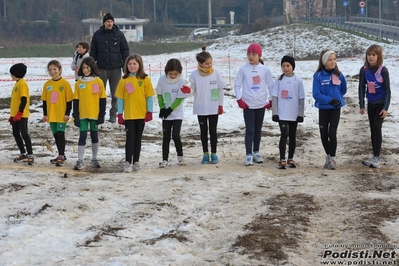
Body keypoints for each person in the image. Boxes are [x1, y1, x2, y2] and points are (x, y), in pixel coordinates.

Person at [181, 46, 225, 164]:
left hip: (213, 107)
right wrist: (187, 90)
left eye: (210, 63)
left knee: (213, 131)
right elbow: (193, 90)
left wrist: (220, 105)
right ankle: (205, 153)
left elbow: (220, 89)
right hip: (201, 107)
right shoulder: (195, 74)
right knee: (203, 131)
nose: (209, 65)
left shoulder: (216, 73)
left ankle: (214, 153)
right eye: (206, 63)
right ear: (200, 63)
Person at [234, 43, 273, 166]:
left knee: (258, 129)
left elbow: (271, 85)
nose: (251, 57)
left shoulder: (265, 70)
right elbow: (237, 85)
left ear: (259, 55)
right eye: (249, 54)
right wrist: (239, 99)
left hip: (260, 104)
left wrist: (271, 100)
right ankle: (248, 154)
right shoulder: (243, 69)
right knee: (250, 130)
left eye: (253, 54)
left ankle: (256, 151)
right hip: (248, 105)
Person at [115, 54, 155, 173]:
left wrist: (149, 112)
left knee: (138, 138)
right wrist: (120, 114)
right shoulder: (124, 80)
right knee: (130, 138)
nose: (132, 66)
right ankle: (128, 162)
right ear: (126, 66)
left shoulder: (145, 79)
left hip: (141, 115)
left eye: (134, 64)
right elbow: (120, 99)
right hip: (130, 115)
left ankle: (136, 161)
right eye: (130, 64)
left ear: (139, 65)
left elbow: (149, 97)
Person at [90, 12, 130, 123]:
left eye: (111, 21)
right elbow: (93, 51)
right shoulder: (97, 35)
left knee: (115, 94)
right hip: (101, 69)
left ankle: (113, 116)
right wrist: (92, 66)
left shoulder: (119, 34)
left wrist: (125, 66)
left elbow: (125, 51)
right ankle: (99, 115)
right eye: (108, 21)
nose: (110, 23)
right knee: (99, 94)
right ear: (104, 23)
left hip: (115, 68)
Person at [312, 50, 347, 170]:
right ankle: (328, 155)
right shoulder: (318, 76)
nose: (332, 62)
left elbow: (343, 89)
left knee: (332, 133)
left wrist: (337, 98)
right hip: (323, 108)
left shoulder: (338, 74)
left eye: (334, 59)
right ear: (323, 61)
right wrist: (330, 100)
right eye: (329, 59)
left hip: (335, 109)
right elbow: (316, 94)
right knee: (323, 134)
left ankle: (333, 158)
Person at [358, 44, 391, 169]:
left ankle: (377, 157)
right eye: (369, 54)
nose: (371, 57)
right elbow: (361, 87)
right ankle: (374, 155)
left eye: (374, 55)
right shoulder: (364, 70)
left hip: (381, 103)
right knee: (372, 129)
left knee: (377, 127)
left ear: (378, 56)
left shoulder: (383, 70)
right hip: (370, 103)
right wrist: (361, 104)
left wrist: (386, 108)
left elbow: (388, 90)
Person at [72, 57, 106, 170]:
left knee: (94, 136)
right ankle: (80, 160)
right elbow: (75, 101)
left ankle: (94, 158)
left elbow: (102, 100)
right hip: (82, 115)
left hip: (94, 115)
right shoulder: (79, 83)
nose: (85, 70)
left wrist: (101, 115)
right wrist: (75, 115)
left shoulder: (98, 82)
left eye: (88, 68)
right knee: (82, 137)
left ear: (92, 68)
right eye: (84, 68)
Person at [272, 56, 305, 169]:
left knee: (292, 136)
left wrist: (300, 114)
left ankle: (290, 158)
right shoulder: (278, 80)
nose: (285, 68)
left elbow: (301, 98)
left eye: (288, 66)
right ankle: (282, 159)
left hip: (293, 114)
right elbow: (275, 96)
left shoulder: (298, 81)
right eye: (283, 66)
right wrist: (275, 113)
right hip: (282, 114)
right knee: (284, 134)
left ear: (292, 67)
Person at [156, 58, 188, 168]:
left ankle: (180, 157)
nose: (173, 76)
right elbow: (159, 95)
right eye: (170, 74)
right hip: (166, 115)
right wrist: (162, 108)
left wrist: (170, 109)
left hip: (177, 114)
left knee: (175, 135)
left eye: (175, 74)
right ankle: (164, 159)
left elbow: (180, 98)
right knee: (166, 137)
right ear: (166, 72)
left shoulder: (182, 82)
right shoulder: (162, 80)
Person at [41, 60, 74, 166]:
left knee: (60, 134)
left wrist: (67, 113)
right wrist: (45, 114)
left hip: (61, 115)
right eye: (50, 70)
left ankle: (61, 155)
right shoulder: (47, 85)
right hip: (52, 115)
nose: (52, 71)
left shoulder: (65, 84)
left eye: (54, 69)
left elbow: (69, 101)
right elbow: (45, 101)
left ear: (60, 70)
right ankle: (60, 154)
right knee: (55, 135)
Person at [9, 63, 34, 165]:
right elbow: (15, 101)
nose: (11, 76)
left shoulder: (22, 83)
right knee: (15, 133)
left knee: (24, 134)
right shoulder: (17, 83)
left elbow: (23, 100)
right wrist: (12, 115)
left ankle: (30, 154)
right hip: (15, 115)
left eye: (12, 74)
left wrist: (19, 113)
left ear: (16, 74)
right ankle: (23, 153)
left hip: (22, 115)